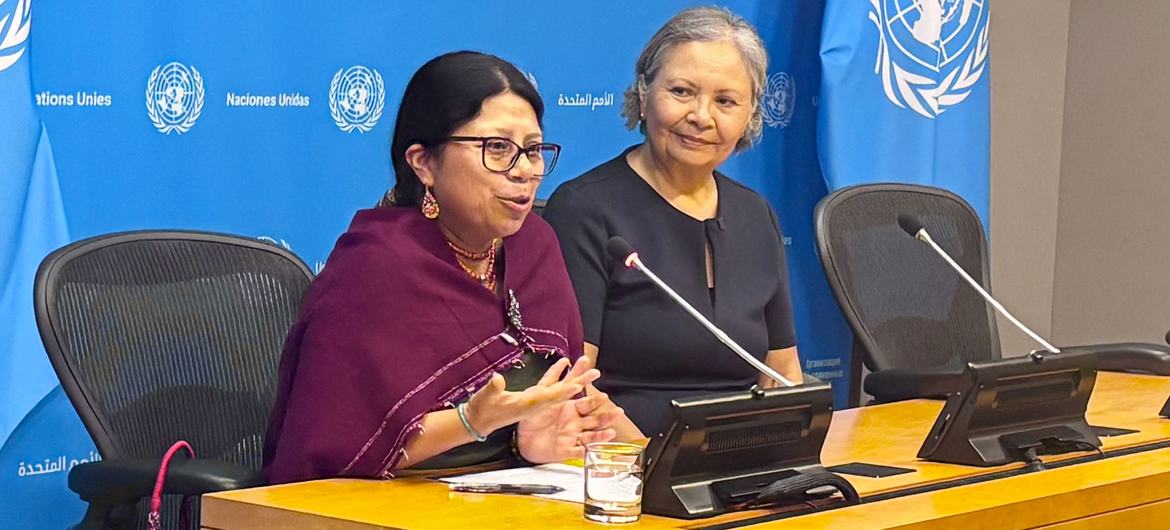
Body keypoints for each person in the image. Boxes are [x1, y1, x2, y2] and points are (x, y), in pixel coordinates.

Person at [264, 51, 631, 484]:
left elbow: (558, 404)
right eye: (497, 148)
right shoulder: (376, 265)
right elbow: (330, 453)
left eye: (533, 150)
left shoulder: (536, 245)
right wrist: (469, 422)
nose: (525, 172)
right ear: (423, 162)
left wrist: (531, 442)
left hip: (513, 498)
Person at [543, 7, 804, 436]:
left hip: (740, 458)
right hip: (624, 457)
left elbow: (781, 370)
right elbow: (573, 384)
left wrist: (783, 453)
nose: (702, 116)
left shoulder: (756, 214)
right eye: (682, 91)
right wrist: (651, 460)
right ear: (644, 94)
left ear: (750, 115)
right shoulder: (584, 209)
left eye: (725, 101)